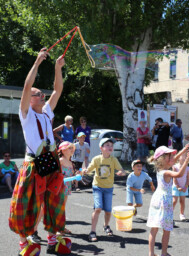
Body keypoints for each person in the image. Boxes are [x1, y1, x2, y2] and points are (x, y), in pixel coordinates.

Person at [8, 48, 71, 255]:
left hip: (50, 160)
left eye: (41, 94)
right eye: (38, 94)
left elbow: (57, 90)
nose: (42, 95)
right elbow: (27, 86)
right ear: (30, 99)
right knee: (26, 204)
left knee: (54, 200)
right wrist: (37, 62)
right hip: (34, 163)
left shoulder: (46, 112)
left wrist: (57, 68)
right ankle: (24, 243)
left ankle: (53, 239)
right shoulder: (25, 113)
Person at [147, 146, 189, 256]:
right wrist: (186, 161)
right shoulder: (166, 172)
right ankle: (164, 253)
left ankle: (151, 254)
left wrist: (182, 151)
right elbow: (179, 174)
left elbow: (175, 159)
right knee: (166, 230)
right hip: (165, 202)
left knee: (154, 229)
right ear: (162, 160)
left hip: (156, 199)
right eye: (169, 156)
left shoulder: (160, 170)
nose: (173, 158)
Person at [82, 138, 126, 242]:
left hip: (109, 188)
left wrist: (122, 173)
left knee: (107, 211)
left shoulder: (113, 160)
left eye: (111, 145)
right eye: (107, 145)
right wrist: (85, 170)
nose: (110, 147)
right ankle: (92, 231)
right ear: (101, 148)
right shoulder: (97, 159)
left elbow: (122, 170)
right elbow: (89, 169)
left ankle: (106, 226)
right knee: (98, 208)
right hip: (97, 187)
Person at [59, 141, 75, 235]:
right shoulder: (60, 160)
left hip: (67, 187)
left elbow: (71, 176)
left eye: (72, 148)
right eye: (69, 148)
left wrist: (78, 175)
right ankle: (57, 228)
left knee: (62, 208)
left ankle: (61, 227)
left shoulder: (70, 162)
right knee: (59, 208)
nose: (72, 149)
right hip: (59, 187)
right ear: (63, 150)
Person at [172, 153, 189, 221]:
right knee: (174, 201)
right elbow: (174, 178)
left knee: (182, 201)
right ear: (178, 158)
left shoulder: (188, 168)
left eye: (185, 156)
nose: (184, 157)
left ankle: (182, 214)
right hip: (176, 187)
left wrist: (185, 187)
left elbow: (188, 178)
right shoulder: (175, 167)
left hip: (184, 187)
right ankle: (169, 214)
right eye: (182, 156)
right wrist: (177, 186)